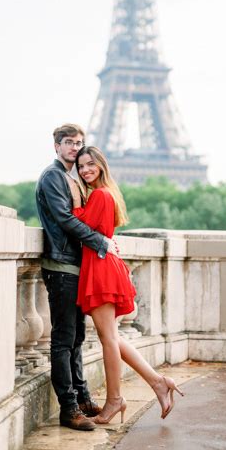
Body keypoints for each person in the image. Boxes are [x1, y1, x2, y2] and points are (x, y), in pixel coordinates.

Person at [72, 145, 184, 424]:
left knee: (108, 339)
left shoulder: (98, 194)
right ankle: (158, 382)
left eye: (89, 164)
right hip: (104, 265)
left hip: (100, 269)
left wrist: (73, 200)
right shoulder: (109, 193)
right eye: (80, 166)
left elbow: (74, 223)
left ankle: (115, 400)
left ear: (101, 164)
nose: (85, 170)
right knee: (114, 338)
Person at [36, 124, 119, 431]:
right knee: (63, 339)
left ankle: (82, 399)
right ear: (56, 146)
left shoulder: (71, 179)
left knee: (77, 339)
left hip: (75, 267)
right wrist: (101, 243)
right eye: (69, 143)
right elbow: (64, 218)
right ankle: (68, 408)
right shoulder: (53, 176)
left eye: (79, 143)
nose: (74, 148)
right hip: (61, 266)